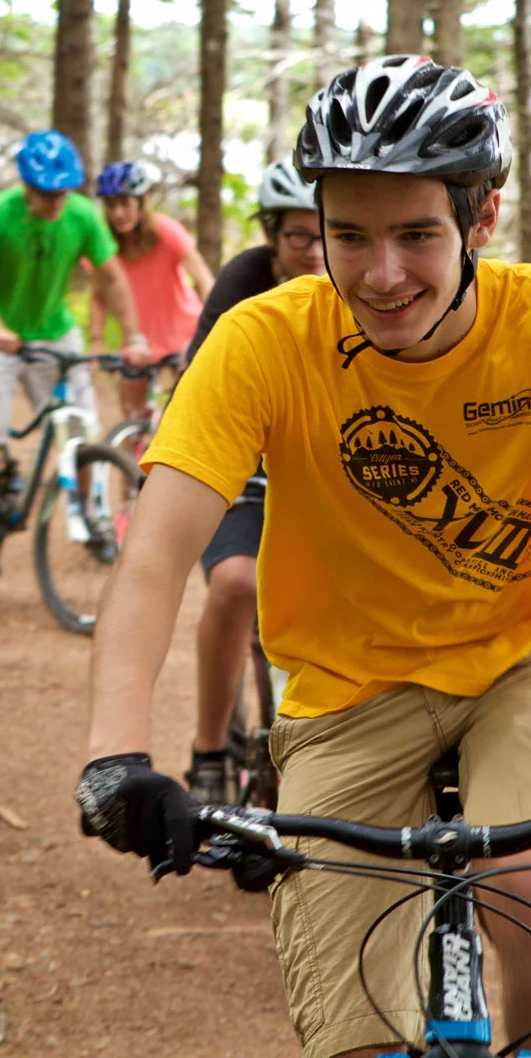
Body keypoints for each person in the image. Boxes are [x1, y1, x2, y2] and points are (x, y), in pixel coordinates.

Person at [74, 56, 531, 1058]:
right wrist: (116, 755)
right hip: (345, 691)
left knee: (530, 884)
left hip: (523, 661)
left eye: (416, 235)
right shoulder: (263, 341)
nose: (380, 274)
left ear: (481, 220)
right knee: (349, 1023)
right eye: (348, 236)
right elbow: (157, 551)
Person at [181, 160, 327, 806]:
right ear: (272, 235)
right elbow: (199, 386)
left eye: (329, 233)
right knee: (237, 582)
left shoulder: (365, 287)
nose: (315, 251)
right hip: (246, 466)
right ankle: (209, 750)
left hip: (328, 475)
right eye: (298, 236)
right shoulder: (242, 284)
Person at [0, 130, 154, 577]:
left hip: (55, 332)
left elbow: (112, 277)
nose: (55, 202)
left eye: (63, 193)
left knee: (80, 430)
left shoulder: (82, 216)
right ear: (26, 187)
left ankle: (92, 518)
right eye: (46, 194)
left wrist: (134, 337)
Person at [86, 160, 213, 421]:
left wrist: (203, 334)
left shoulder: (167, 231)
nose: (118, 213)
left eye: (125, 204)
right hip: (138, 343)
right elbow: (99, 296)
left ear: (142, 202)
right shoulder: (103, 244)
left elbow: (204, 281)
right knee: (132, 421)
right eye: (111, 205)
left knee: (189, 417)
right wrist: (96, 341)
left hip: (184, 337)